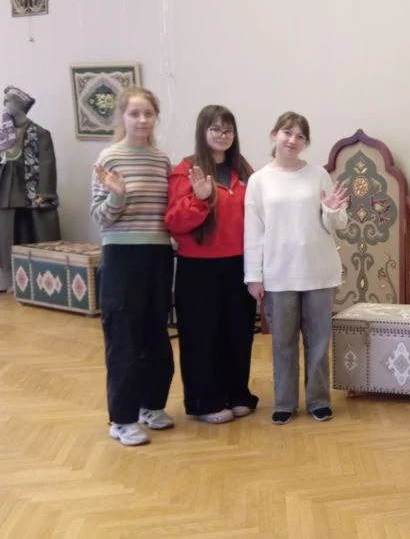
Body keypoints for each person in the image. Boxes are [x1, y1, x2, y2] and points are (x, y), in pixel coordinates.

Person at [244, 111, 350, 425]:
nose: (293, 140)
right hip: (278, 274)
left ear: (305, 142)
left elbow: (336, 223)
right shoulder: (259, 180)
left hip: (318, 270)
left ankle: (318, 400)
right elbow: (254, 232)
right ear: (274, 134)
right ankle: (285, 402)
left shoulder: (318, 175)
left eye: (300, 136)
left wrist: (332, 211)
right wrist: (253, 276)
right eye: (287, 132)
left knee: (318, 341)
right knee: (283, 342)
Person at [90, 86, 175, 446]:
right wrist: (117, 195)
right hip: (122, 256)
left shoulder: (161, 160)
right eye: (134, 113)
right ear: (122, 117)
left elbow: (168, 213)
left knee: (156, 333)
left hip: (159, 255)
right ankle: (122, 419)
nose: (142, 120)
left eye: (148, 113)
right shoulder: (109, 157)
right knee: (124, 336)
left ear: (156, 118)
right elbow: (99, 217)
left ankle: (151, 406)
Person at [165, 104, 258, 424]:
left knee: (238, 332)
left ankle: (236, 393)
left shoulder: (244, 170)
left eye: (228, 129)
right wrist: (200, 198)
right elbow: (174, 222)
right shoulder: (186, 170)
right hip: (199, 268)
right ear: (203, 131)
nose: (222, 135)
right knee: (202, 336)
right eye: (215, 128)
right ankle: (204, 401)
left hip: (240, 265)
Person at [0, 85, 61, 292]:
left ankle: (38, 278)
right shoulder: (3, 131)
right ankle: (11, 277)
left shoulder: (40, 133)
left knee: (34, 229)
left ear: (20, 107)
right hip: (6, 188)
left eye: (10, 103)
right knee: (8, 230)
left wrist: (45, 192)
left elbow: (47, 163)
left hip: (29, 186)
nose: (6, 107)